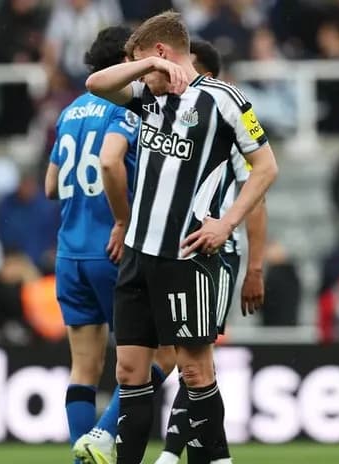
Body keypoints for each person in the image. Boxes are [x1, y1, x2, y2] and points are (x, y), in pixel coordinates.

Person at [86, 11, 278, 464]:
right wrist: (142, 67)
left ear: (161, 52)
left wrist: (226, 223)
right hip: (138, 253)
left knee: (194, 370)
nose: (137, 75)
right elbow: (95, 84)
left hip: (187, 257)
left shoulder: (224, 100)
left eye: (139, 61)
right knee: (129, 372)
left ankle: (213, 459)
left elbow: (266, 167)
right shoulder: (146, 99)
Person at [46, 26, 175, 464]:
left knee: (83, 367)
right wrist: (122, 217)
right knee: (165, 354)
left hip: (69, 253)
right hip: (114, 249)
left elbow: (50, 186)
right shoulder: (124, 108)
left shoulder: (69, 111)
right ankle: (103, 434)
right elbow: (109, 162)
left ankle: (83, 457)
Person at [155, 39, 268, 464]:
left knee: (194, 361)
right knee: (194, 362)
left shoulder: (226, 119)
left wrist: (254, 267)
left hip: (216, 251)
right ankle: (215, 458)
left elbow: (256, 194)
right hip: (179, 249)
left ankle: (170, 454)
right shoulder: (172, 118)